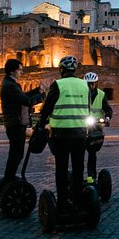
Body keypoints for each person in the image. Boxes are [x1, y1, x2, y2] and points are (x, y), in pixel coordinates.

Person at [36, 55, 90, 212]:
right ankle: (78, 200)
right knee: (79, 168)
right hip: (80, 132)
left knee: (61, 167)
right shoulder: (84, 85)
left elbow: (47, 108)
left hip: (61, 133)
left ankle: (63, 202)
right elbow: (87, 107)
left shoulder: (58, 84)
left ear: (61, 69)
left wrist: (41, 123)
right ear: (75, 70)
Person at [0, 59, 44, 185]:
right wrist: (42, 97)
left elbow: (23, 96)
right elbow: (27, 101)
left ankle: (10, 178)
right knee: (16, 154)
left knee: (17, 154)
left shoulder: (10, 84)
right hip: (15, 124)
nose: (21, 72)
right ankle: (9, 179)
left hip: (16, 123)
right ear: (12, 71)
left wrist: (36, 91)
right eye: (20, 70)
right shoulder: (10, 86)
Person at [84, 71, 112, 180]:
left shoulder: (101, 94)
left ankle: (92, 175)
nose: (90, 86)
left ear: (96, 83)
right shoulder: (81, 93)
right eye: (88, 83)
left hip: (95, 126)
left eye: (92, 83)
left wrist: (108, 117)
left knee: (92, 153)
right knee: (79, 152)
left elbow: (107, 108)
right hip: (82, 125)